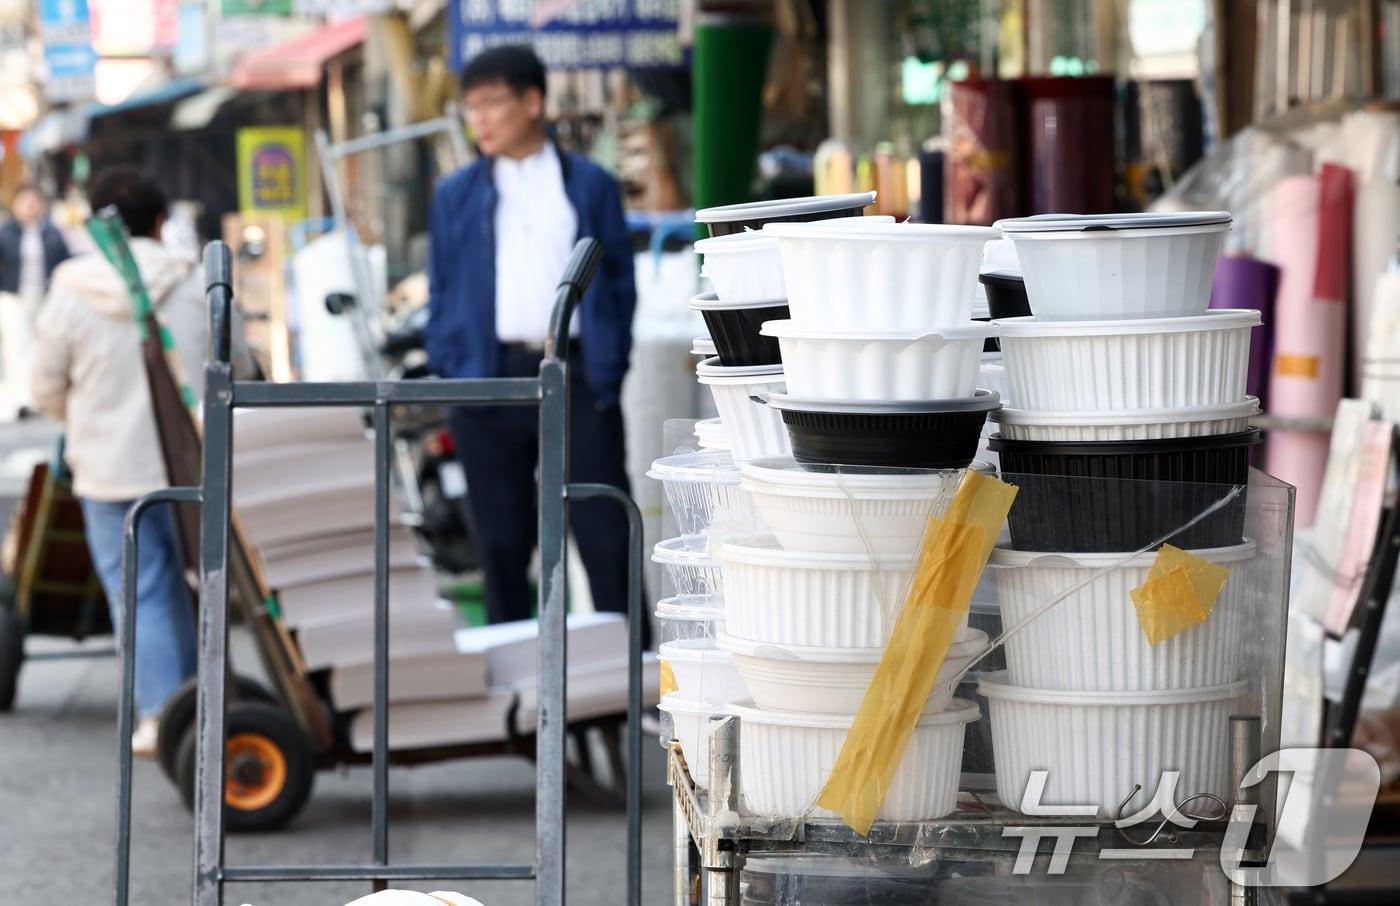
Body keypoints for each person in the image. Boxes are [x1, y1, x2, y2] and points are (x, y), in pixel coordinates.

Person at [30, 166, 252, 755]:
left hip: (108, 468)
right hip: (196, 464)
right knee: (200, 585)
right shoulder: (198, 281)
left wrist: (80, 419)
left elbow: (46, 383)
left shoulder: (72, 288)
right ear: (160, 221)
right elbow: (242, 367)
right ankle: (200, 706)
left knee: (142, 591)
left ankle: (162, 714)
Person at [425, 45, 639, 629]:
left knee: (605, 535)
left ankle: (631, 674)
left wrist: (608, 371)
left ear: (534, 102)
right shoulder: (455, 194)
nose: (480, 119)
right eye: (471, 107)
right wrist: (451, 365)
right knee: (500, 547)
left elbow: (619, 285)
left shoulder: (590, 185)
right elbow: (440, 289)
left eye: (492, 103)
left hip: (575, 378)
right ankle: (516, 681)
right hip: (487, 382)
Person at [0, 183, 70, 411]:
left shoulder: (52, 232)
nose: (30, 207)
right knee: (17, 346)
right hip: (13, 296)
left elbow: (65, 263)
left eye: (34, 202)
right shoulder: (5, 233)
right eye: (25, 202)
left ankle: (40, 396)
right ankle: (22, 398)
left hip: (45, 297)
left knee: (43, 348)